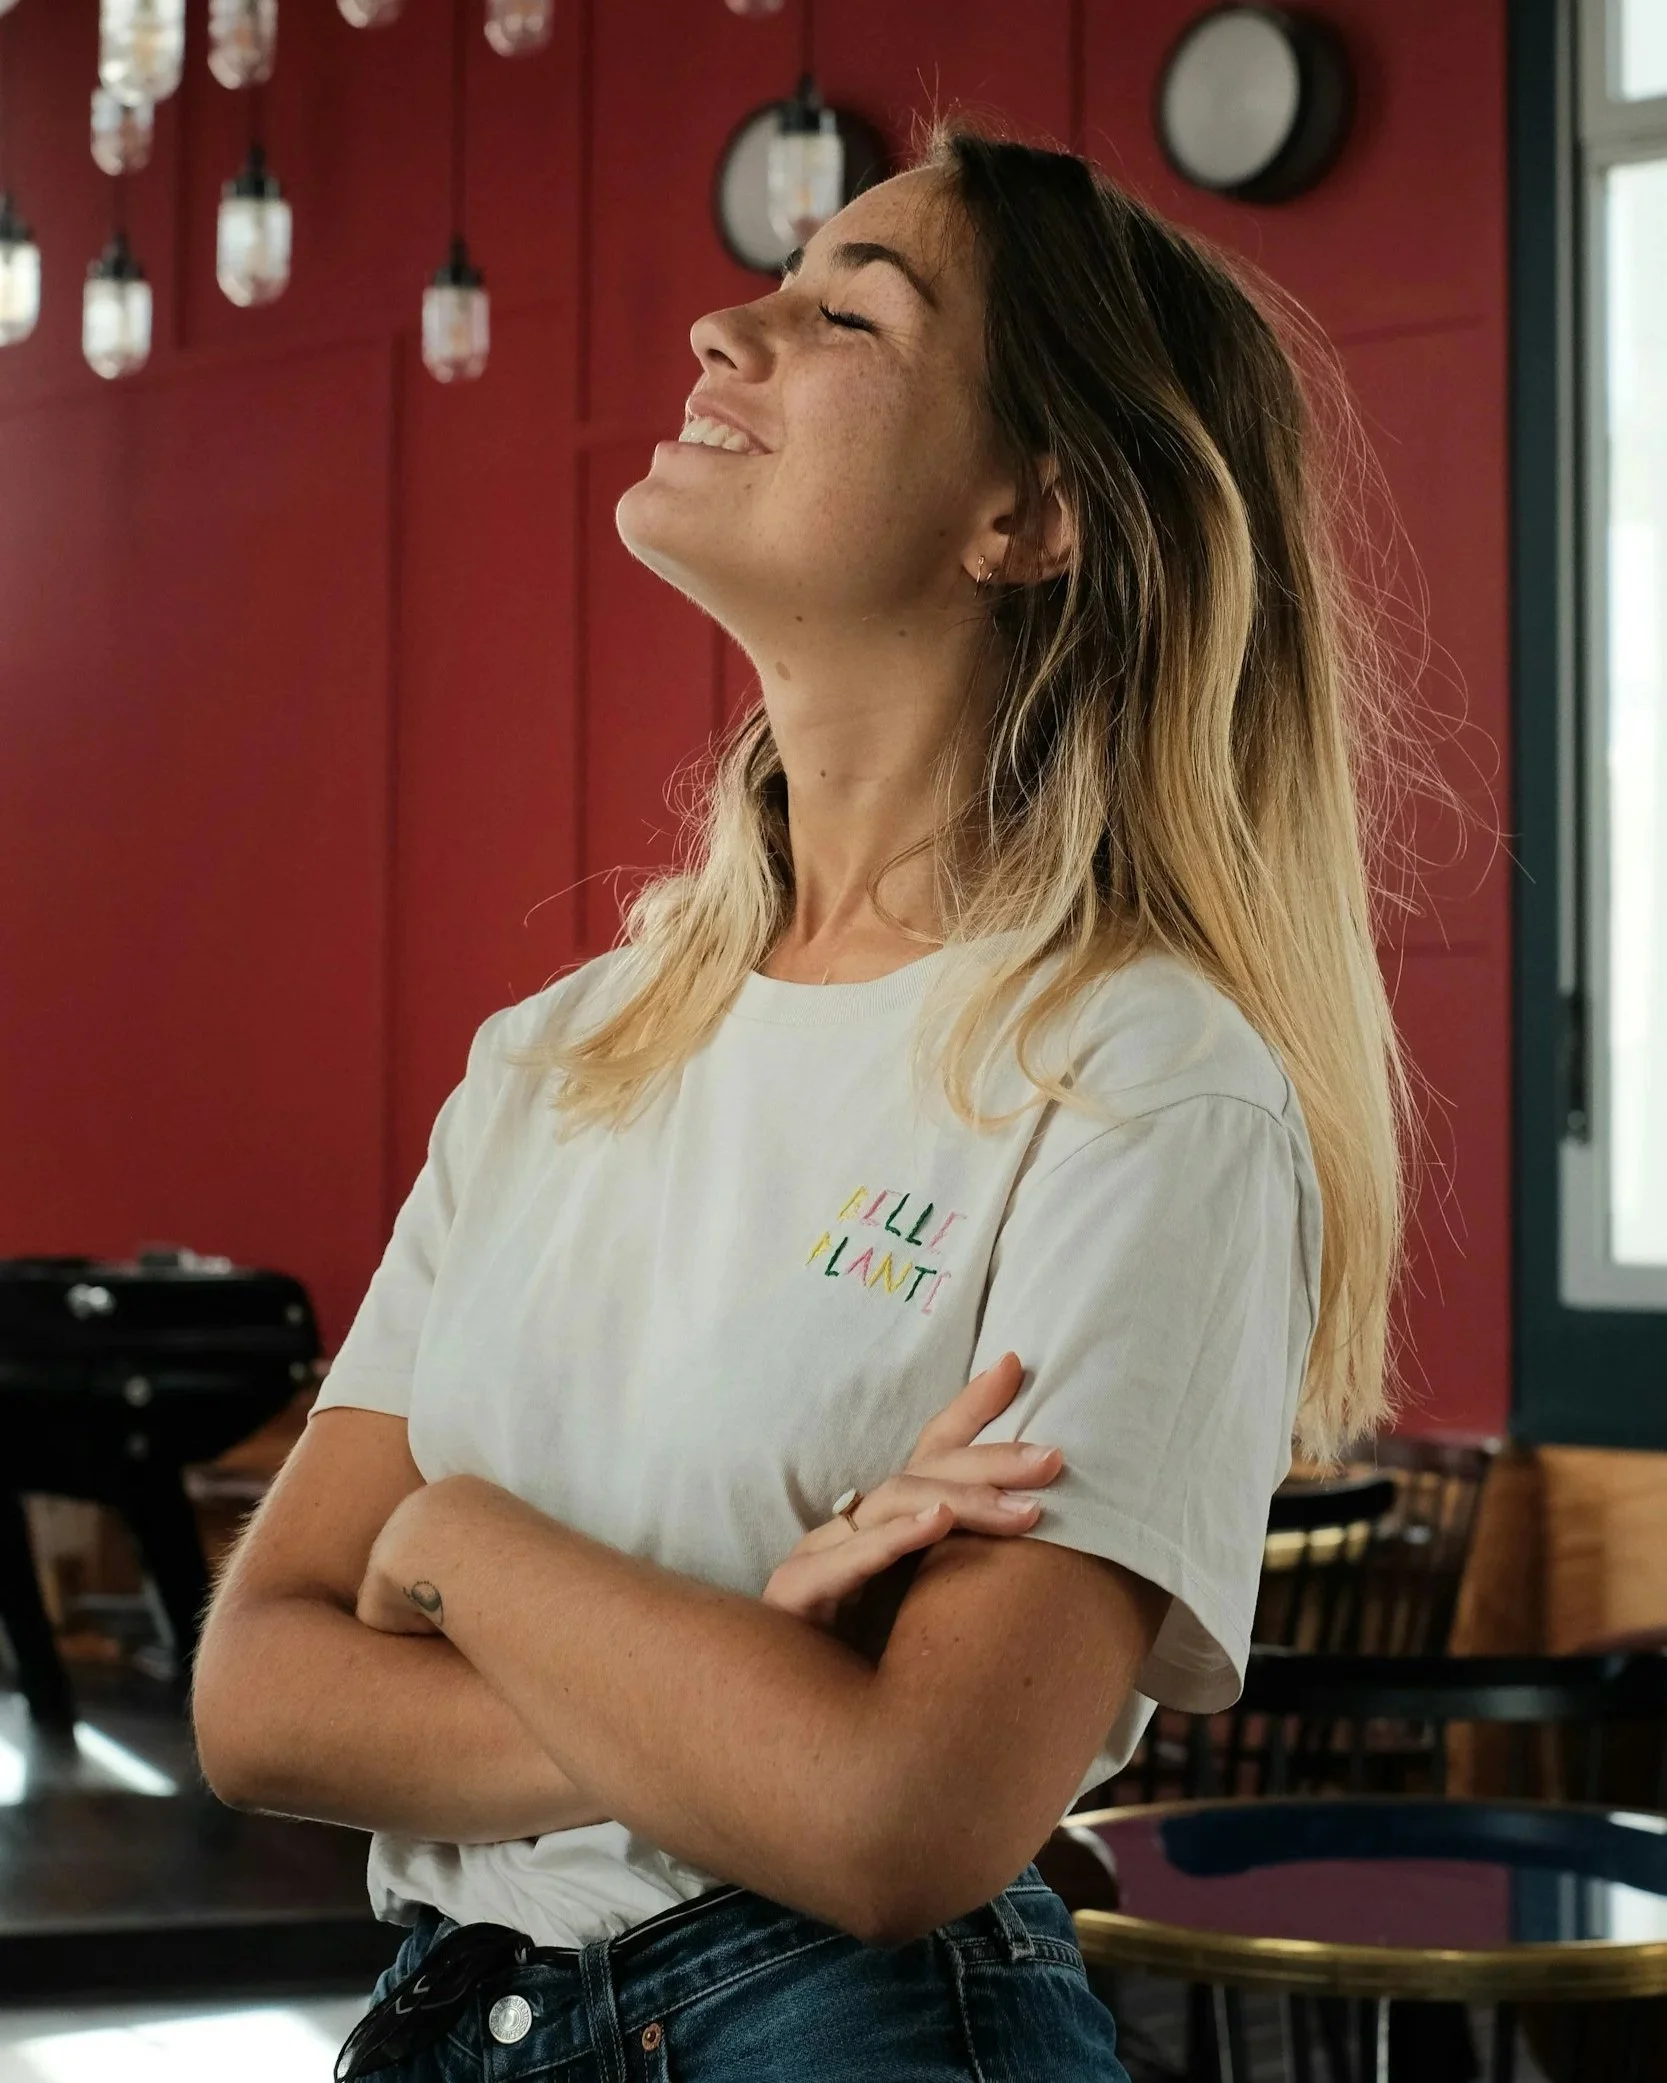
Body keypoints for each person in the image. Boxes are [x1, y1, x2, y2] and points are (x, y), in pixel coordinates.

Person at [191, 113, 1413, 2083]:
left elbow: (890, 1825)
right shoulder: (556, 1057)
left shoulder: (1139, 1084)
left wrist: (456, 1554)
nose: (715, 327)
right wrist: (745, 1691)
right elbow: (254, 1697)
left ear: (1027, 511)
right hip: (440, 2025)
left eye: (849, 307)